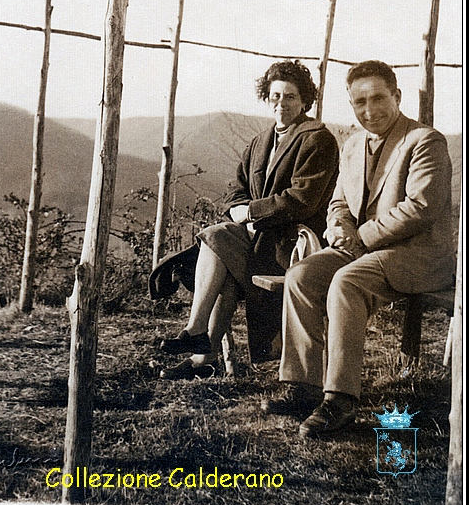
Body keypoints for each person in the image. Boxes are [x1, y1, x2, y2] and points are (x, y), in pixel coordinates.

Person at [268, 60, 454, 439]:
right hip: (365, 250)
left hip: (418, 254)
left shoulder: (424, 141)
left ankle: (340, 399)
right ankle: (303, 385)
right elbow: (337, 203)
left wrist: (360, 238)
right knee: (301, 275)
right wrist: (339, 228)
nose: (370, 110)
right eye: (359, 102)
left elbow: (420, 208)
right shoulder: (352, 144)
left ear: (397, 96)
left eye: (378, 98)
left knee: (347, 281)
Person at [158, 60, 339, 379]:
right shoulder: (259, 142)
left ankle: (198, 334)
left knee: (216, 237)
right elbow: (235, 190)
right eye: (276, 96)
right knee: (221, 255)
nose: (282, 103)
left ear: (305, 101)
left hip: (291, 247)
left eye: (291, 96)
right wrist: (239, 210)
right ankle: (204, 354)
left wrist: (251, 214)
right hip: (256, 240)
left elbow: (302, 199)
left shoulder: (317, 139)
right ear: (267, 99)